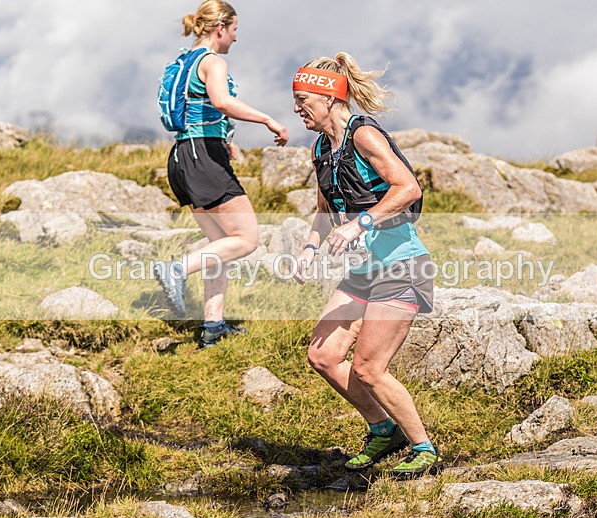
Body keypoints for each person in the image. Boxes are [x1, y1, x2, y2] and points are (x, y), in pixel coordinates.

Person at [292, 53, 440, 478]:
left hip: (401, 266)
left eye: (304, 100)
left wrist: (361, 223)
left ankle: (425, 449)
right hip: (361, 272)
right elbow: (325, 206)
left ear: (330, 97)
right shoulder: (322, 146)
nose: (297, 109)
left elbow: (407, 188)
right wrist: (309, 248)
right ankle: (382, 430)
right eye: (295, 101)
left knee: (369, 368)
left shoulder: (364, 136)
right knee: (322, 355)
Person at [155, 0, 289, 348]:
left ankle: (212, 327)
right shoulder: (213, 61)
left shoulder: (184, 59)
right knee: (247, 239)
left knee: (220, 246)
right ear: (221, 29)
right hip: (203, 158)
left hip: (185, 155)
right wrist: (268, 120)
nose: (235, 38)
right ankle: (177, 270)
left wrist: (225, 139)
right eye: (234, 31)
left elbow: (202, 108)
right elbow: (221, 101)